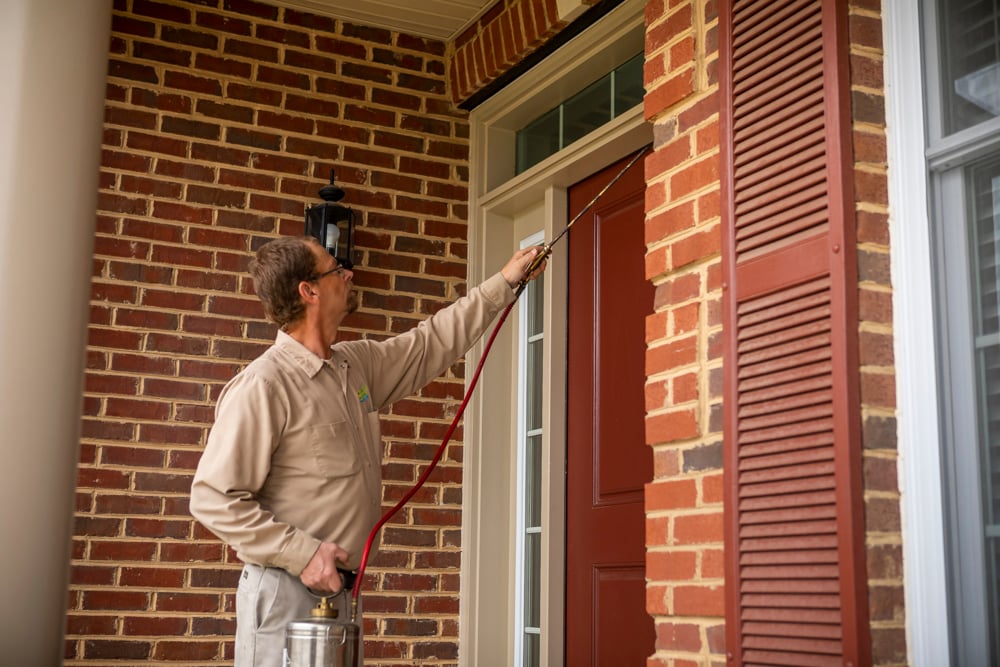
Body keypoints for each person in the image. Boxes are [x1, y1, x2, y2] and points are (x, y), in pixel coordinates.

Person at [190, 235, 545, 666]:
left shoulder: (353, 366)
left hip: (339, 594)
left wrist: (504, 283)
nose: (348, 274)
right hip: (286, 594)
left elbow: (430, 343)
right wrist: (303, 554)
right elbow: (213, 498)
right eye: (335, 270)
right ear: (309, 290)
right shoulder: (265, 385)